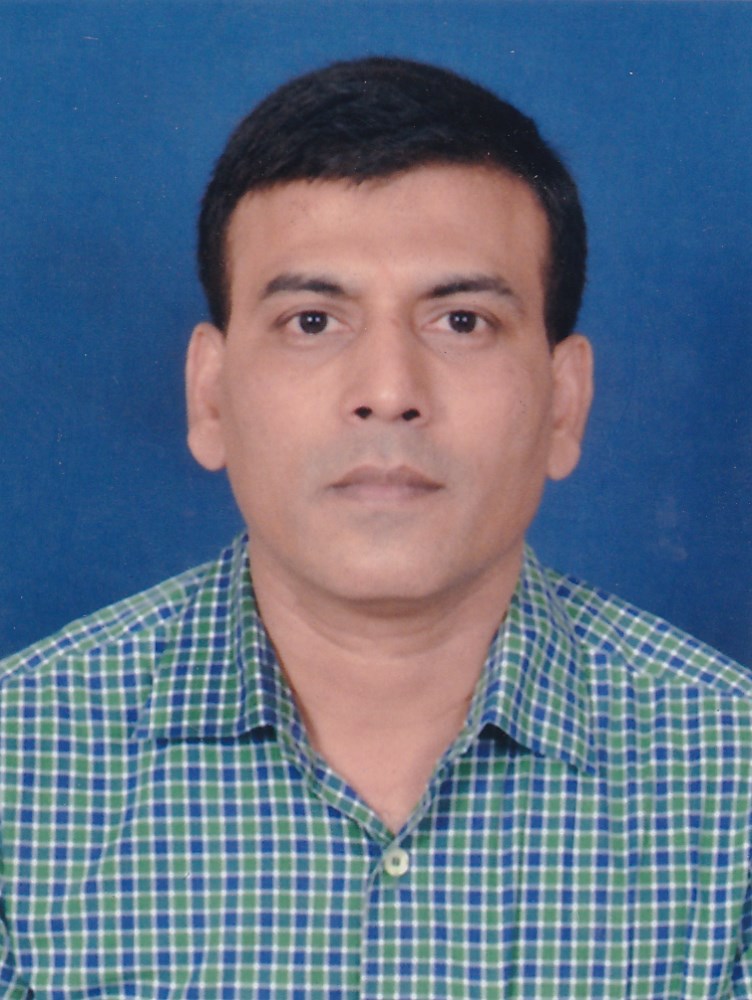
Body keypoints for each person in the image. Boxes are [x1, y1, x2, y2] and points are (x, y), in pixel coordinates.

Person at [0, 55, 750, 1000]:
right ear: (210, 395)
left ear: (565, 403)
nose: (389, 392)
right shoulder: (20, 773)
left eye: (462, 322)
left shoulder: (731, 786)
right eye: (313, 321)